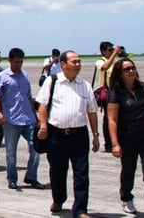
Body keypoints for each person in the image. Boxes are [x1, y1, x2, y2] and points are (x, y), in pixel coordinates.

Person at [36, 50, 100, 218]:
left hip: (79, 135)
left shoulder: (85, 85)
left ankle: (80, 210)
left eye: (79, 61)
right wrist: (43, 126)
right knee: (57, 171)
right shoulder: (52, 82)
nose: (78, 65)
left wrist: (95, 135)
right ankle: (58, 199)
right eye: (74, 62)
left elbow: (92, 111)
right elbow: (42, 106)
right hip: (56, 135)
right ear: (63, 65)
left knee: (81, 173)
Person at [108, 58, 144, 217]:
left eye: (132, 68)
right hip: (128, 138)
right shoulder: (116, 92)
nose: (131, 71)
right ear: (120, 74)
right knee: (129, 169)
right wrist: (114, 143)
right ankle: (126, 198)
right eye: (126, 69)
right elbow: (112, 119)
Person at [0, 47, 42, 190]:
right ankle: (12, 178)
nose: (18, 65)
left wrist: (35, 115)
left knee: (36, 147)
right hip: (11, 120)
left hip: (28, 119)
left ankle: (31, 176)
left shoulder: (25, 75)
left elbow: (28, 96)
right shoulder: (3, 76)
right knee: (11, 152)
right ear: (10, 61)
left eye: (21, 62)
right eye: (16, 62)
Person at [94, 41, 122, 152]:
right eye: (109, 50)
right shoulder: (100, 61)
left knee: (119, 118)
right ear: (103, 51)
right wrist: (114, 54)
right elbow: (104, 67)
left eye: (112, 49)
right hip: (107, 93)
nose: (111, 51)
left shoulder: (116, 61)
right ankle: (109, 144)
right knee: (109, 119)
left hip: (117, 92)